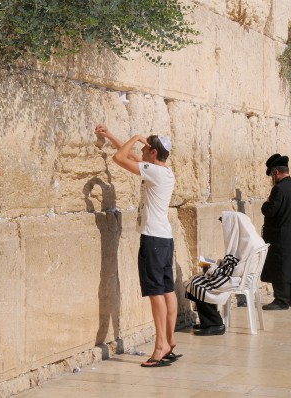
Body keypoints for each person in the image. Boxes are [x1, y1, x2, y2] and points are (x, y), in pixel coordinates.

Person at [94, 124, 178, 368]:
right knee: (167, 289)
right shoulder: (164, 171)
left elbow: (120, 158)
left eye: (145, 148)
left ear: (153, 153)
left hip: (152, 240)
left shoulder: (155, 172)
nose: (141, 150)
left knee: (155, 293)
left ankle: (160, 344)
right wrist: (110, 135)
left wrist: (136, 136)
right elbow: (131, 156)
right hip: (165, 240)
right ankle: (170, 340)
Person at [185, 211, 265, 336]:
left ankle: (215, 324)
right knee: (197, 278)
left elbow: (235, 270)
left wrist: (213, 268)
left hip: (239, 279)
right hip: (242, 277)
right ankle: (207, 321)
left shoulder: (249, 244)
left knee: (197, 283)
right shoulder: (251, 239)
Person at [260, 154, 291, 310]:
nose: (272, 178)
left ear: (276, 171)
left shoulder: (279, 189)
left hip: (280, 233)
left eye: (272, 174)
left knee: (280, 265)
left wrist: (265, 204)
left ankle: (281, 300)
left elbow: (271, 211)